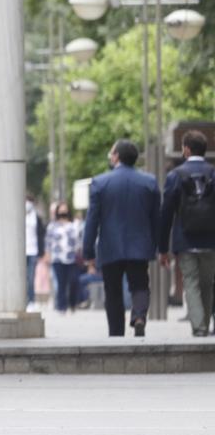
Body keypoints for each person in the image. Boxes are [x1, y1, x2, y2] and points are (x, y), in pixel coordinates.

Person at [82, 140, 162, 337]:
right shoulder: (149, 182)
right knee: (140, 285)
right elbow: (157, 219)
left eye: (111, 153)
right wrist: (162, 247)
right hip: (140, 246)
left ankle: (116, 334)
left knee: (113, 291)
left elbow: (92, 220)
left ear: (116, 155)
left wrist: (88, 252)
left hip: (110, 246)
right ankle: (139, 316)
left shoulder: (100, 183)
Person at [159, 131, 215, 336]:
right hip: (211, 239)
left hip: (185, 239)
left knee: (191, 281)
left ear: (187, 149)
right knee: (208, 282)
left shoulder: (175, 175)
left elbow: (165, 213)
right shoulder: (213, 172)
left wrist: (163, 248)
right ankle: (205, 322)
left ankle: (199, 326)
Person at [46, 202, 83, 314]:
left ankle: (72, 303)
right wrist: (48, 254)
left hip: (72, 258)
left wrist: (80, 253)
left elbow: (79, 242)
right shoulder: (52, 226)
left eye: (65, 209)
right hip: (57, 258)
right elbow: (48, 242)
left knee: (73, 281)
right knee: (61, 283)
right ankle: (61, 306)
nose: (63, 212)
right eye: (61, 209)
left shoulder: (73, 225)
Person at [25, 195, 46, 310]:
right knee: (23, 277)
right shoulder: (18, 216)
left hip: (33, 250)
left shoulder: (36, 218)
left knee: (31, 277)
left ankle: (31, 300)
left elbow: (41, 235)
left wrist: (42, 252)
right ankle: (24, 299)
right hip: (21, 252)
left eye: (29, 201)